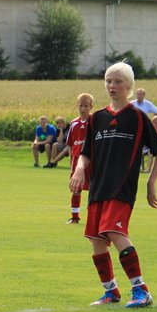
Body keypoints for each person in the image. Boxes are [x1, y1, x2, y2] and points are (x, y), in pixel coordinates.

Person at [70, 62, 157, 308]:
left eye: (118, 82)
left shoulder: (137, 117)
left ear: (129, 86)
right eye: (109, 81)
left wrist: (151, 182)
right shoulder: (96, 118)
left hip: (121, 187)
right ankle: (110, 291)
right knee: (96, 238)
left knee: (115, 231)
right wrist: (80, 169)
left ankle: (141, 290)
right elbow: (85, 153)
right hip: (98, 187)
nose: (112, 86)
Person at [64, 94, 93, 223]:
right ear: (77, 106)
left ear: (91, 107)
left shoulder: (95, 122)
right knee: (76, 188)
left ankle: (93, 217)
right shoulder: (74, 123)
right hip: (76, 160)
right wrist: (72, 161)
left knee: (94, 188)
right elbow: (70, 144)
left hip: (91, 160)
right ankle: (75, 217)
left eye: (86, 106)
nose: (83, 108)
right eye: (81, 105)